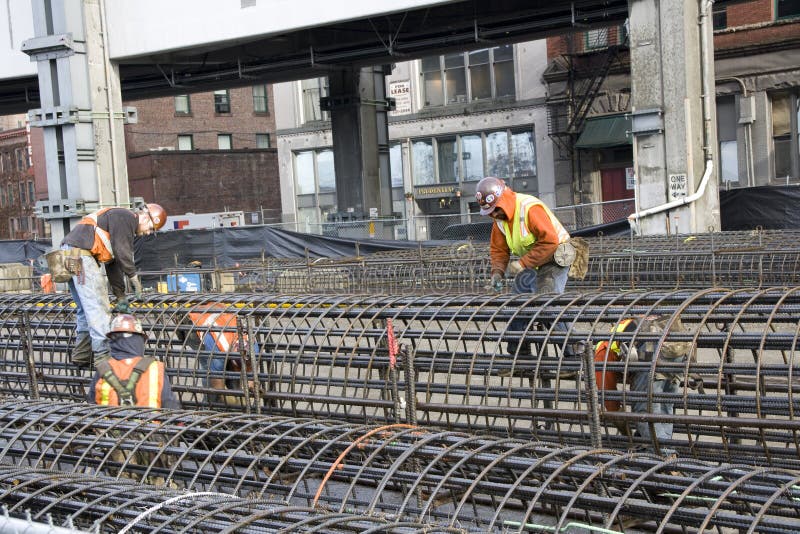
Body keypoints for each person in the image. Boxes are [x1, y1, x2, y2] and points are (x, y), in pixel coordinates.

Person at [475, 176, 573, 358]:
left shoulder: (529, 208)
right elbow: (498, 250)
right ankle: (520, 354)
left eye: (495, 209)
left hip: (557, 256)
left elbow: (550, 241)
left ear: (503, 200)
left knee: (546, 301)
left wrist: (522, 263)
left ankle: (575, 353)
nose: (494, 215)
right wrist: (497, 273)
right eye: (489, 212)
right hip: (534, 263)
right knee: (516, 303)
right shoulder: (499, 221)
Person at [62, 203, 166, 368]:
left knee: (85, 308)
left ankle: (82, 354)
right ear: (146, 217)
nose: (148, 233)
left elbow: (113, 264)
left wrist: (121, 297)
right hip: (81, 256)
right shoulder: (126, 217)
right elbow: (122, 252)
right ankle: (103, 359)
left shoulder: (117, 223)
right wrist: (133, 275)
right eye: (150, 228)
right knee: (99, 307)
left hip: (71, 254)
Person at [594, 315, 692, 451]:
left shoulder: (600, 355)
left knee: (645, 409)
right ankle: (658, 447)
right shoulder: (621, 330)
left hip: (651, 350)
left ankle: (662, 455)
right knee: (664, 407)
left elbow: (609, 399)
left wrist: (624, 429)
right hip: (679, 347)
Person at [87, 313, 181, 409]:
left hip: (109, 424)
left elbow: (91, 405)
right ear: (139, 340)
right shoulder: (154, 369)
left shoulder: (104, 369)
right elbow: (169, 404)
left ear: (112, 340)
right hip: (149, 424)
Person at [186, 303, 257, 406]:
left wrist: (251, 389)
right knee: (209, 373)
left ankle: (234, 406)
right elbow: (217, 387)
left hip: (217, 313)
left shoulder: (252, 346)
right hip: (193, 321)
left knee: (233, 377)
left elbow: (250, 373)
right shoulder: (218, 350)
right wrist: (225, 397)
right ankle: (209, 409)